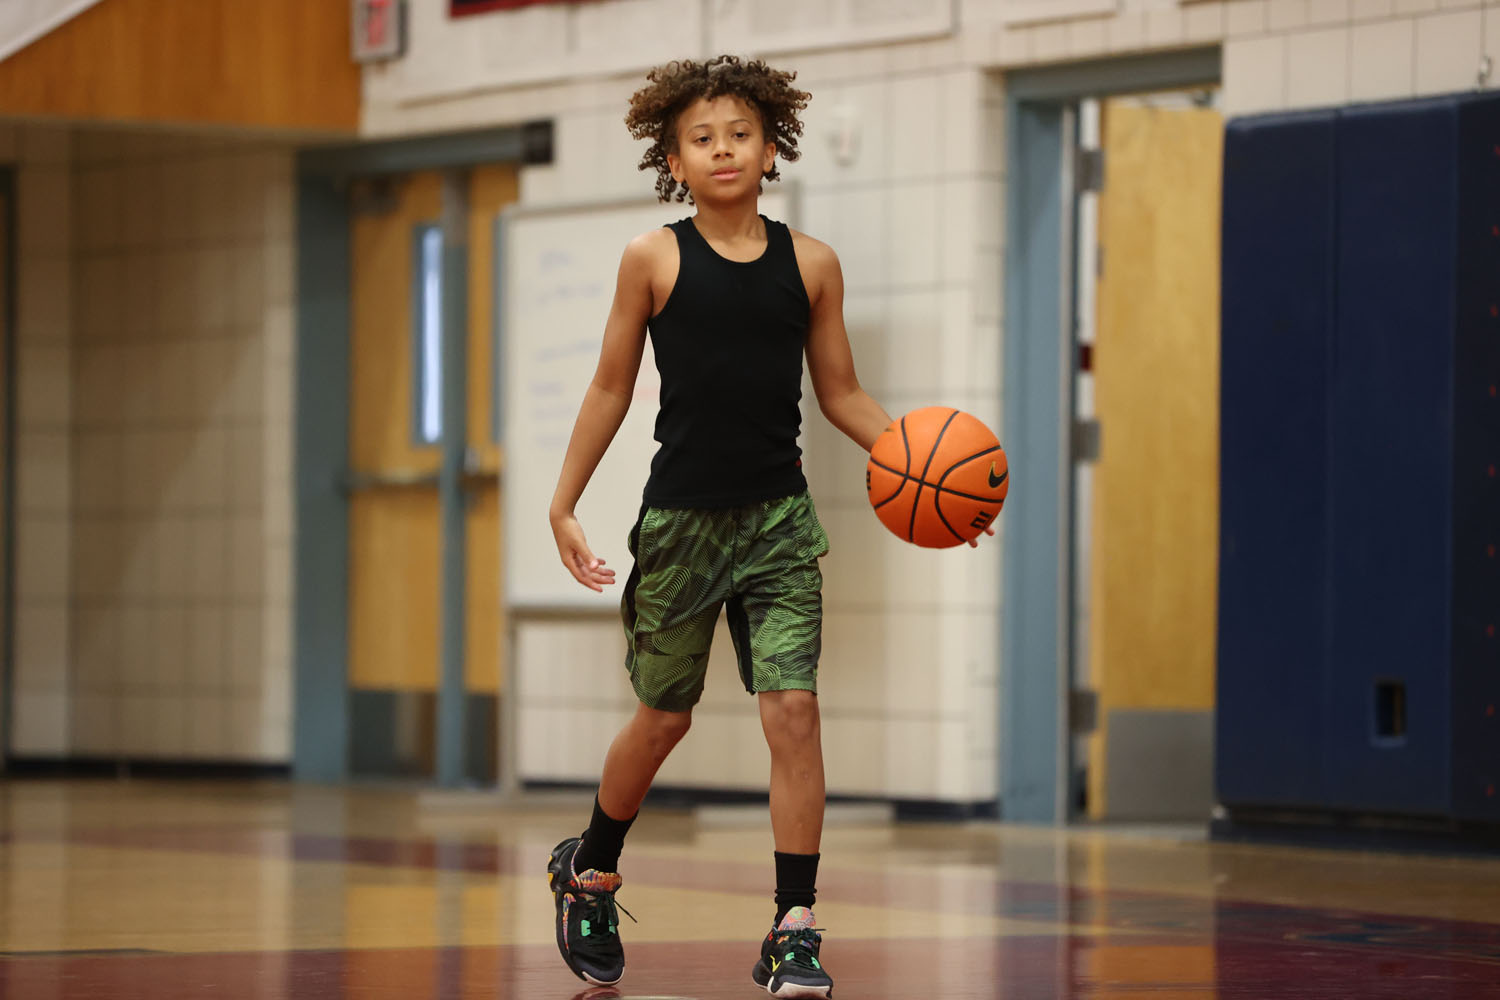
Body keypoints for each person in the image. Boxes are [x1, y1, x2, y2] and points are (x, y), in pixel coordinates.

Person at [544, 53, 987, 998]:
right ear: (674, 156)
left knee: (793, 711)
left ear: (771, 143)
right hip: (680, 523)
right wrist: (564, 501)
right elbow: (612, 387)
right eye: (701, 138)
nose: (723, 150)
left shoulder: (812, 263)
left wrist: (931, 465)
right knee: (664, 718)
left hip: (780, 523)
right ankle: (590, 867)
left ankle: (795, 924)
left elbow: (842, 395)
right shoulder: (652, 258)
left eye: (739, 133)